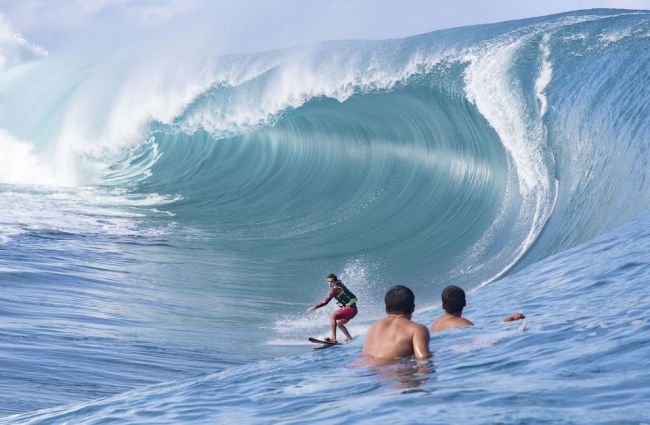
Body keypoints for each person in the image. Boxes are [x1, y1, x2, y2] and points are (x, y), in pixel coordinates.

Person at [362, 285, 431, 359]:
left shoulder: (373, 328)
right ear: (413, 308)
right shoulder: (417, 329)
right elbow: (423, 359)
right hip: (391, 367)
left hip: (361, 367)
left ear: (386, 309)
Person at [429, 285, 525, 333]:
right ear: (464, 304)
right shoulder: (464, 324)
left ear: (442, 306)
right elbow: (485, 337)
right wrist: (506, 323)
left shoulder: (434, 324)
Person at [306, 274, 358, 342]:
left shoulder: (335, 290)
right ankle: (349, 339)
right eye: (328, 281)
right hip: (353, 309)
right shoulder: (339, 283)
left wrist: (314, 307)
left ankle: (333, 338)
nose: (330, 283)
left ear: (335, 281)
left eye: (332, 281)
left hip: (350, 308)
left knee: (332, 317)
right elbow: (339, 280)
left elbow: (325, 302)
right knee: (339, 323)